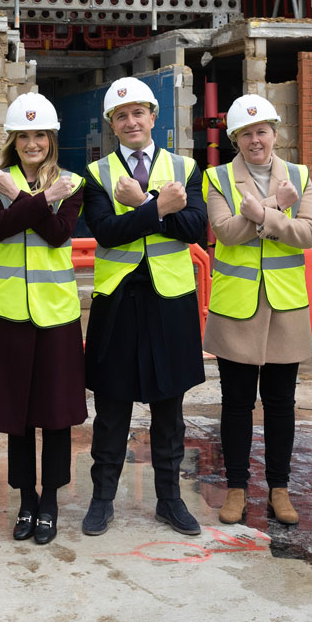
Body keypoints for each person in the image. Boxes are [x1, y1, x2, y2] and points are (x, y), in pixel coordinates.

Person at [79, 77, 207, 537]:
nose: (131, 121)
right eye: (121, 115)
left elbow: (195, 226)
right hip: (117, 302)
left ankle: (169, 501)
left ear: (154, 117)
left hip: (169, 301)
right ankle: (102, 500)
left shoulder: (186, 167)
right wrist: (158, 209)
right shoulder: (96, 175)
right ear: (112, 125)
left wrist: (142, 204)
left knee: (168, 409)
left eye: (138, 113)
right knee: (111, 407)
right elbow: (107, 231)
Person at [0, 92, 87, 545]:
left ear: (52, 138)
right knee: (17, 413)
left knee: (55, 413)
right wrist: (39, 199)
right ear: (13, 139)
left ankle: (51, 502)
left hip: (56, 313)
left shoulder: (74, 183)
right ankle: (25, 499)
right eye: (24, 135)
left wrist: (22, 199)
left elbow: (59, 235)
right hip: (8, 313)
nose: (32, 142)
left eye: (40, 134)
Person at [204, 94, 312, 526]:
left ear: (275, 132)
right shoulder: (217, 177)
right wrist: (274, 207)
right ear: (235, 137)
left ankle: (279, 488)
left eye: (262, 131)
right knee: (235, 403)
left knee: (280, 403)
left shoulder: (299, 175)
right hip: (237, 307)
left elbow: (308, 234)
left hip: (285, 306)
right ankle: (236, 487)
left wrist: (262, 215)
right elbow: (225, 232)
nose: (256, 140)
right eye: (246, 133)